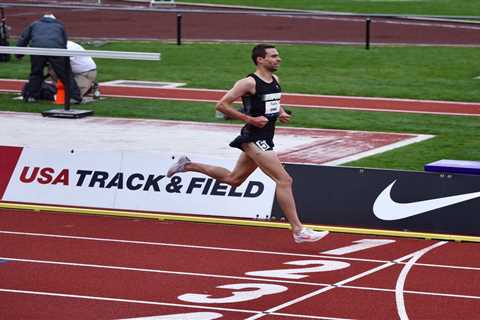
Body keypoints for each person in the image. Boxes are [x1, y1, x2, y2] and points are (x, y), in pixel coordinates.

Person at [167, 44, 329, 243]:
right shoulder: (248, 83)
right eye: (274, 56)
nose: (279, 59)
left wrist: (281, 113)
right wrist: (250, 120)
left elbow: (272, 102)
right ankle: (298, 230)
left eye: (278, 56)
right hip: (254, 137)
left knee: (233, 180)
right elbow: (221, 105)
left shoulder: (275, 80)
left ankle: (187, 165)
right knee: (284, 180)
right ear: (260, 60)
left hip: (266, 136)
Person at [15, 13, 81, 103]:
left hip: (37, 50)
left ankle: (31, 96)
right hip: (56, 50)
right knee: (65, 74)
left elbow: (24, 39)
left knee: (36, 73)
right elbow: (63, 42)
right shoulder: (59, 25)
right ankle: (75, 97)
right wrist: (64, 58)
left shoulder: (34, 24)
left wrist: (19, 54)